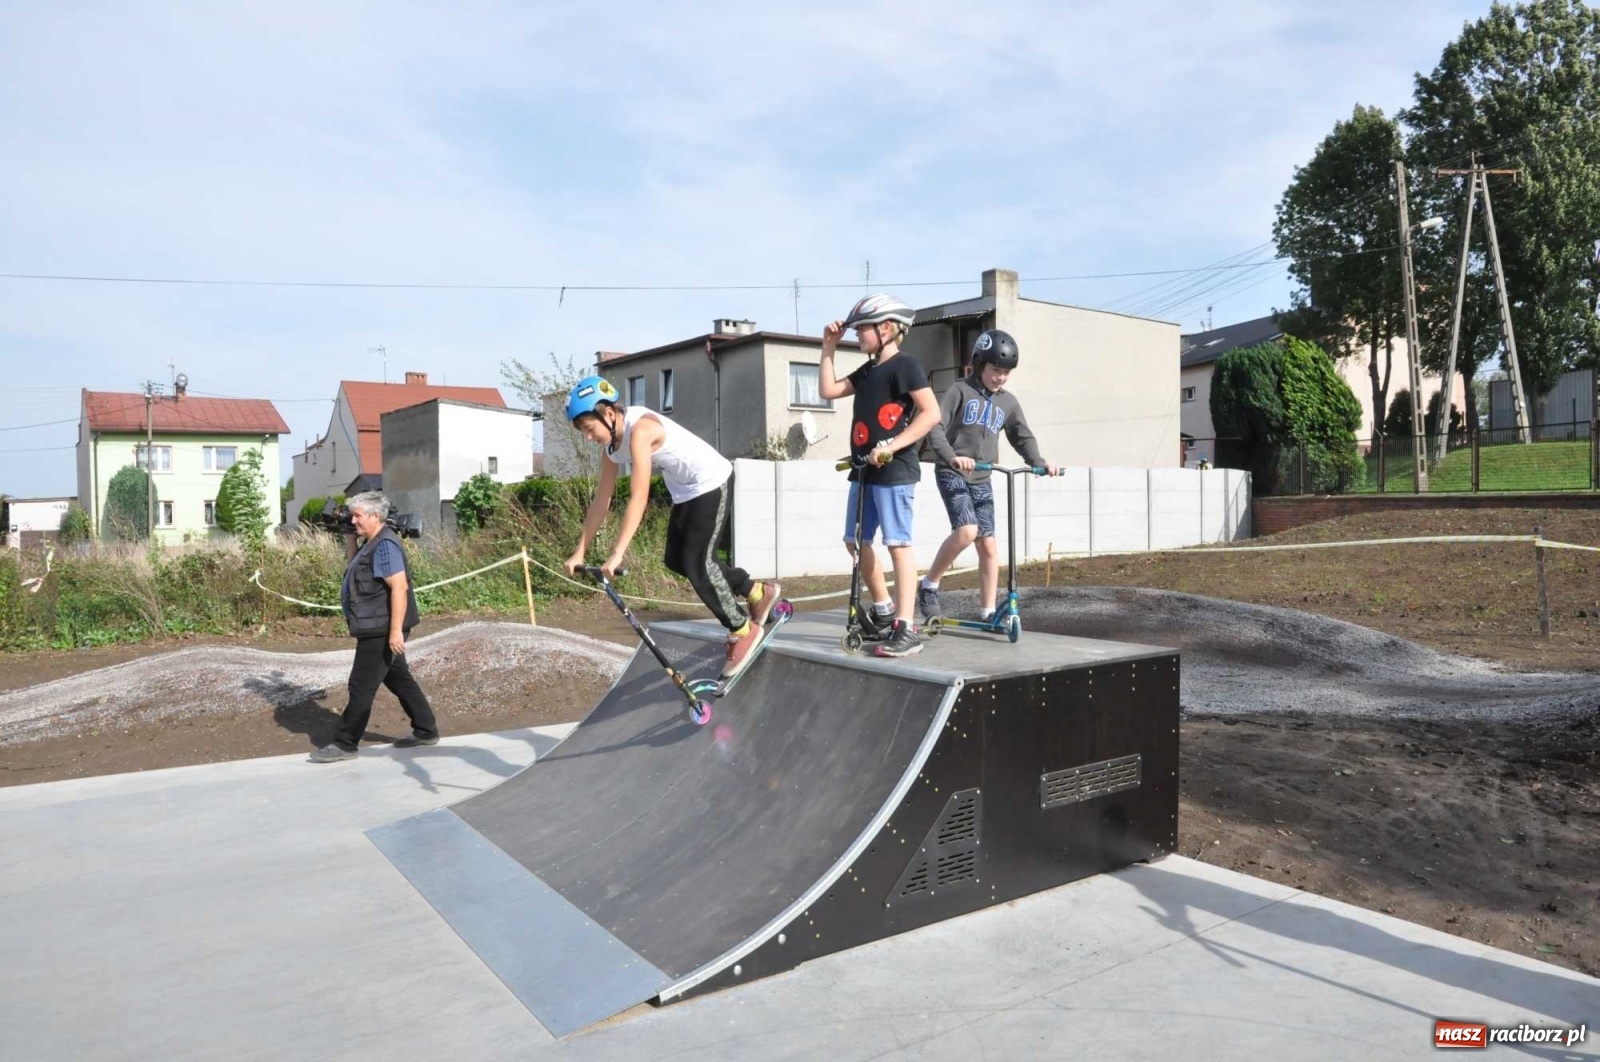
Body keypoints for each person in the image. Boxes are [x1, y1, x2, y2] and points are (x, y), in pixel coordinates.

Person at [561, 375, 782, 680]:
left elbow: (639, 496)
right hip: (686, 491)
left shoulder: (642, 430)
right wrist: (579, 551)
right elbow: (603, 498)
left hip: (711, 481)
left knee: (697, 564)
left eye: (588, 429)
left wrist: (617, 553)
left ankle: (741, 629)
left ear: (608, 414)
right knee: (676, 560)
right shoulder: (612, 447)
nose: (588, 437)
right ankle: (756, 591)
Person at [819, 293, 941, 658]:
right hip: (863, 471)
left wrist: (893, 444)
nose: (857, 336)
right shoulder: (869, 370)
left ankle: (906, 627)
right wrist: (828, 347)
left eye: (862, 330)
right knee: (855, 541)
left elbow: (930, 412)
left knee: (898, 544)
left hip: (894, 470)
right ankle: (885, 611)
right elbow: (828, 390)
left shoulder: (906, 366)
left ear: (886, 328)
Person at [919, 329, 1057, 625]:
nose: (1000, 378)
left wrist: (1039, 462)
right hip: (952, 471)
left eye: (1006, 373)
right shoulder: (959, 391)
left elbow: (1022, 435)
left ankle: (988, 613)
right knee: (968, 531)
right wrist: (952, 456)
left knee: (989, 545)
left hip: (982, 476)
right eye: (996, 370)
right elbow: (934, 427)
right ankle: (929, 586)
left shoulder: (1008, 402)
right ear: (980, 364)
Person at [311, 491, 440, 763]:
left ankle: (345, 743)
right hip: (377, 624)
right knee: (397, 678)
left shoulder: (385, 546)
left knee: (361, 684)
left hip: (381, 627)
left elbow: (399, 587)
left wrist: (394, 632)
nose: (352, 519)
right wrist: (350, 539)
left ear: (375, 516)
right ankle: (426, 730)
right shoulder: (371, 543)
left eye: (357, 515)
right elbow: (355, 567)